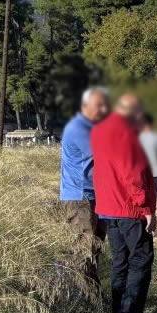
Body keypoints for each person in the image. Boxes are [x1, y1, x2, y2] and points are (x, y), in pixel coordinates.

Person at [91, 93, 157, 313]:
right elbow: (135, 174)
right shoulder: (129, 136)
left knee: (119, 261)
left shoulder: (100, 131)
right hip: (129, 208)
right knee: (141, 258)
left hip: (109, 206)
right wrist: (146, 209)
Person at [60, 86, 110, 288]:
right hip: (80, 195)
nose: (104, 109)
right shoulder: (79, 128)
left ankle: (93, 295)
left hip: (94, 195)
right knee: (84, 249)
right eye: (100, 105)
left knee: (95, 247)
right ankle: (85, 296)